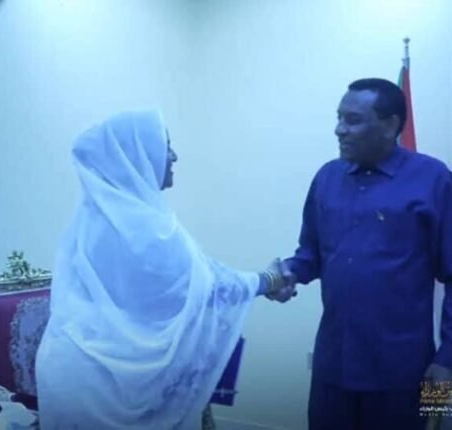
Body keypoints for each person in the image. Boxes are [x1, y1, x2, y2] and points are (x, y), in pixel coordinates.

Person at [35, 110, 294, 430]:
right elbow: (208, 286)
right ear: (137, 155)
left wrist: (265, 281)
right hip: (105, 386)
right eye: (165, 145)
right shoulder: (145, 227)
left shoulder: (94, 219)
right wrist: (269, 280)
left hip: (76, 374)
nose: (174, 156)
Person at [278, 78, 452, 429]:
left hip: (400, 372)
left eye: (353, 120)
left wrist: (447, 358)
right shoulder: (327, 178)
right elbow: (310, 255)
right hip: (333, 366)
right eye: (339, 118)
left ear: (389, 125)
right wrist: (288, 273)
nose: (339, 129)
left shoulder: (433, 179)